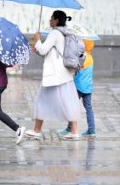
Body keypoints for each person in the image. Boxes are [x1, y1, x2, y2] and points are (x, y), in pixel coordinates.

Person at [25, 10, 81, 140]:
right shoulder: (66, 32)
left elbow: (44, 50)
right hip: (64, 73)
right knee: (68, 101)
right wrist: (37, 49)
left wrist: (38, 39)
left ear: (56, 20)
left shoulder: (55, 32)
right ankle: (75, 131)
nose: (49, 20)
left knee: (42, 100)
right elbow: (51, 52)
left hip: (54, 74)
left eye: (51, 18)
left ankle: (37, 130)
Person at [60, 39, 96, 138]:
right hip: (88, 88)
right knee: (89, 108)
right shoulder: (91, 58)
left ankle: (70, 127)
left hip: (79, 87)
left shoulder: (82, 57)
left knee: (71, 107)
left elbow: (75, 69)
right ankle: (91, 130)